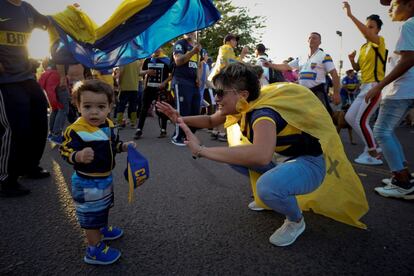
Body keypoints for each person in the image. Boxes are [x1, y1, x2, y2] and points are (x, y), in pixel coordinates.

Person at [157, 62, 367, 246]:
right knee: (236, 157)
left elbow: (261, 156)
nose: (217, 98)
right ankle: (272, 196)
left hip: (311, 164)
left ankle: (295, 221)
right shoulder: (243, 106)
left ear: (243, 95)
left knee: (266, 186)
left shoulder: (262, 114)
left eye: (221, 92)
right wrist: (179, 118)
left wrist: (202, 151)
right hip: (285, 161)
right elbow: (211, 120)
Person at [60, 79, 136, 265]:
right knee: (90, 214)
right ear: (78, 106)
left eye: (101, 106)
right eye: (87, 106)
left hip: (104, 177)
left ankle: (101, 228)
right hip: (86, 182)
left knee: (102, 207)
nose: (94, 112)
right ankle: (93, 248)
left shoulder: (108, 124)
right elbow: (65, 150)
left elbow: (111, 145)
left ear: (110, 107)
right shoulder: (76, 130)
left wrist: (122, 146)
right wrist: (77, 155)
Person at [0, 0, 51, 197]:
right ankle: (6, 178)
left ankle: (30, 166)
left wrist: (72, 16)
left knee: (39, 119)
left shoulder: (27, 8)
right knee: (14, 127)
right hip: (5, 79)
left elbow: (48, 23)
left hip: (26, 75)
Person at [365, 0, 414, 199]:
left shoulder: (408, 25)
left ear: (410, 4)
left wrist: (380, 85)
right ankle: (404, 176)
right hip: (407, 89)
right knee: (387, 131)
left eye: (393, 4)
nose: (390, 8)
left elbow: (409, 59)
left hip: (401, 89)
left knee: (381, 131)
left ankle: (402, 182)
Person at [343, 2, 387, 166]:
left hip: (374, 87)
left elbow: (369, 35)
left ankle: (374, 152)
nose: (368, 29)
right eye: (367, 26)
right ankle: (371, 147)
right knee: (349, 117)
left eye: (371, 27)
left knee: (362, 121)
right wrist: (351, 60)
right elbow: (357, 68)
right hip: (364, 87)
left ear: (377, 30)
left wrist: (350, 15)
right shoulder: (363, 47)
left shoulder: (379, 42)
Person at [263, 32, 341, 112]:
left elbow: (334, 74)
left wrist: (336, 93)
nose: (311, 39)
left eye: (314, 38)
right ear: (308, 40)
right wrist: (270, 65)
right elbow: (286, 66)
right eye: (310, 38)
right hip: (302, 92)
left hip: (317, 93)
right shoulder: (301, 57)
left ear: (320, 42)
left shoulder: (324, 56)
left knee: (321, 118)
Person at [170, 32, 202, 146]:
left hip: (194, 84)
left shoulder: (198, 46)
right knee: (183, 111)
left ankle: (190, 136)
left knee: (195, 111)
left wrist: (198, 77)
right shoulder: (179, 44)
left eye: (192, 29)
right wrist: (193, 51)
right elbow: (178, 61)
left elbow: (199, 65)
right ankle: (178, 136)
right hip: (181, 82)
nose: (190, 31)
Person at [135, 48, 171, 139]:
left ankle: (163, 130)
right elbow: (140, 73)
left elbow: (172, 74)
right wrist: (147, 72)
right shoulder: (148, 60)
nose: (156, 50)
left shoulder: (167, 60)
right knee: (144, 108)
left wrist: (164, 83)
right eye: (154, 48)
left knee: (162, 109)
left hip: (161, 89)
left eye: (158, 48)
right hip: (149, 88)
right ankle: (139, 129)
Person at [116, 60, 141, 128]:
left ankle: (119, 122)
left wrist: (119, 84)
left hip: (125, 87)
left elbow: (120, 73)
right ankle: (133, 122)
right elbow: (139, 73)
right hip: (134, 87)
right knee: (133, 105)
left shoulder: (124, 61)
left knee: (122, 105)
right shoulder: (137, 61)